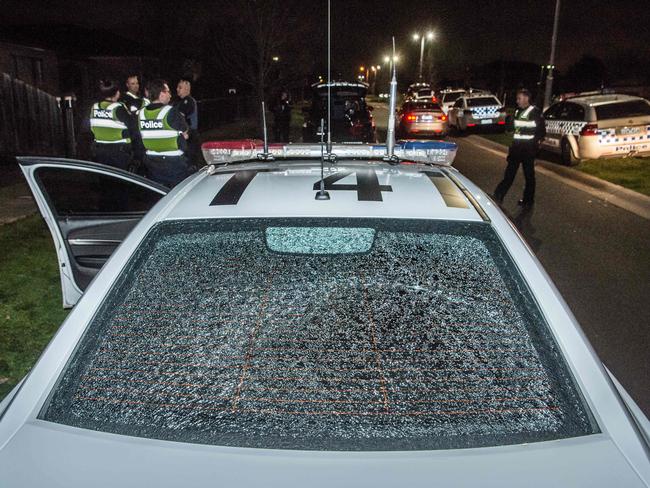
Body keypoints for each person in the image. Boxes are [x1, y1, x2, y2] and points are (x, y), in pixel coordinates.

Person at [493, 88, 546, 208]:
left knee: (529, 177)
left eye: (519, 98)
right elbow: (513, 129)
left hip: (528, 150)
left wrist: (536, 146)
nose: (517, 101)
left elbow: (541, 131)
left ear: (526, 98)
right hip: (516, 149)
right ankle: (498, 196)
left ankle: (528, 201)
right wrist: (508, 120)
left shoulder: (535, 112)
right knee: (509, 174)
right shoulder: (517, 112)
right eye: (517, 98)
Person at [138, 79, 191, 188]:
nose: (170, 95)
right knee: (178, 194)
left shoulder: (141, 113)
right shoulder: (170, 111)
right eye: (168, 92)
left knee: (159, 195)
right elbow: (185, 131)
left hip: (152, 162)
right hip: (174, 163)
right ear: (161, 94)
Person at [89, 79, 137, 170]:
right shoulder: (118, 108)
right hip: (119, 152)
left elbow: (90, 128)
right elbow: (133, 128)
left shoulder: (94, 107)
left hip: (100, 151)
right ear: (117, 93)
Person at [174, 77, 199, 166]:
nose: (177, 89)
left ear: (187, 89)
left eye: (180, 87)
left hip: (189, 134)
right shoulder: (180, 102)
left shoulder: (188, 101)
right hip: (188, 134)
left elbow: (180, 117)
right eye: (177, 87)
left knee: (189, 162)